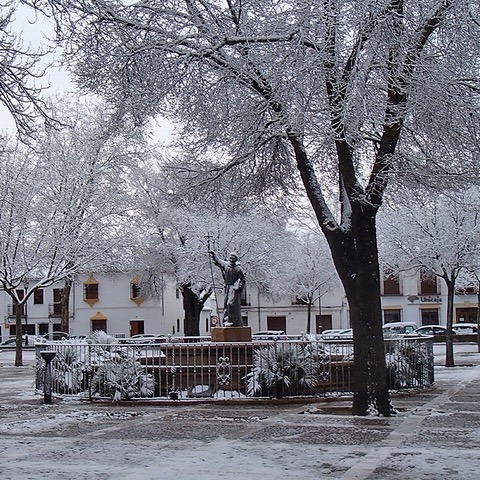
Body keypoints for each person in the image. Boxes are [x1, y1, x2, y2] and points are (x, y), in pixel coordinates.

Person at [209, 251, 246, 327]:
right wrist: (213, 254)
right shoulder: (226, 265)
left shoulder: (238, 269)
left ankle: (232, 321)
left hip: (233, 288)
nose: (232, 260)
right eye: (231, 258)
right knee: (226, 305)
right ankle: (226, 321)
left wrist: (239, 287)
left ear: (236, 260)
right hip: (227, 287)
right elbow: (218, 261)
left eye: (234, 258)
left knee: (231, 304)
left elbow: (243, 279)